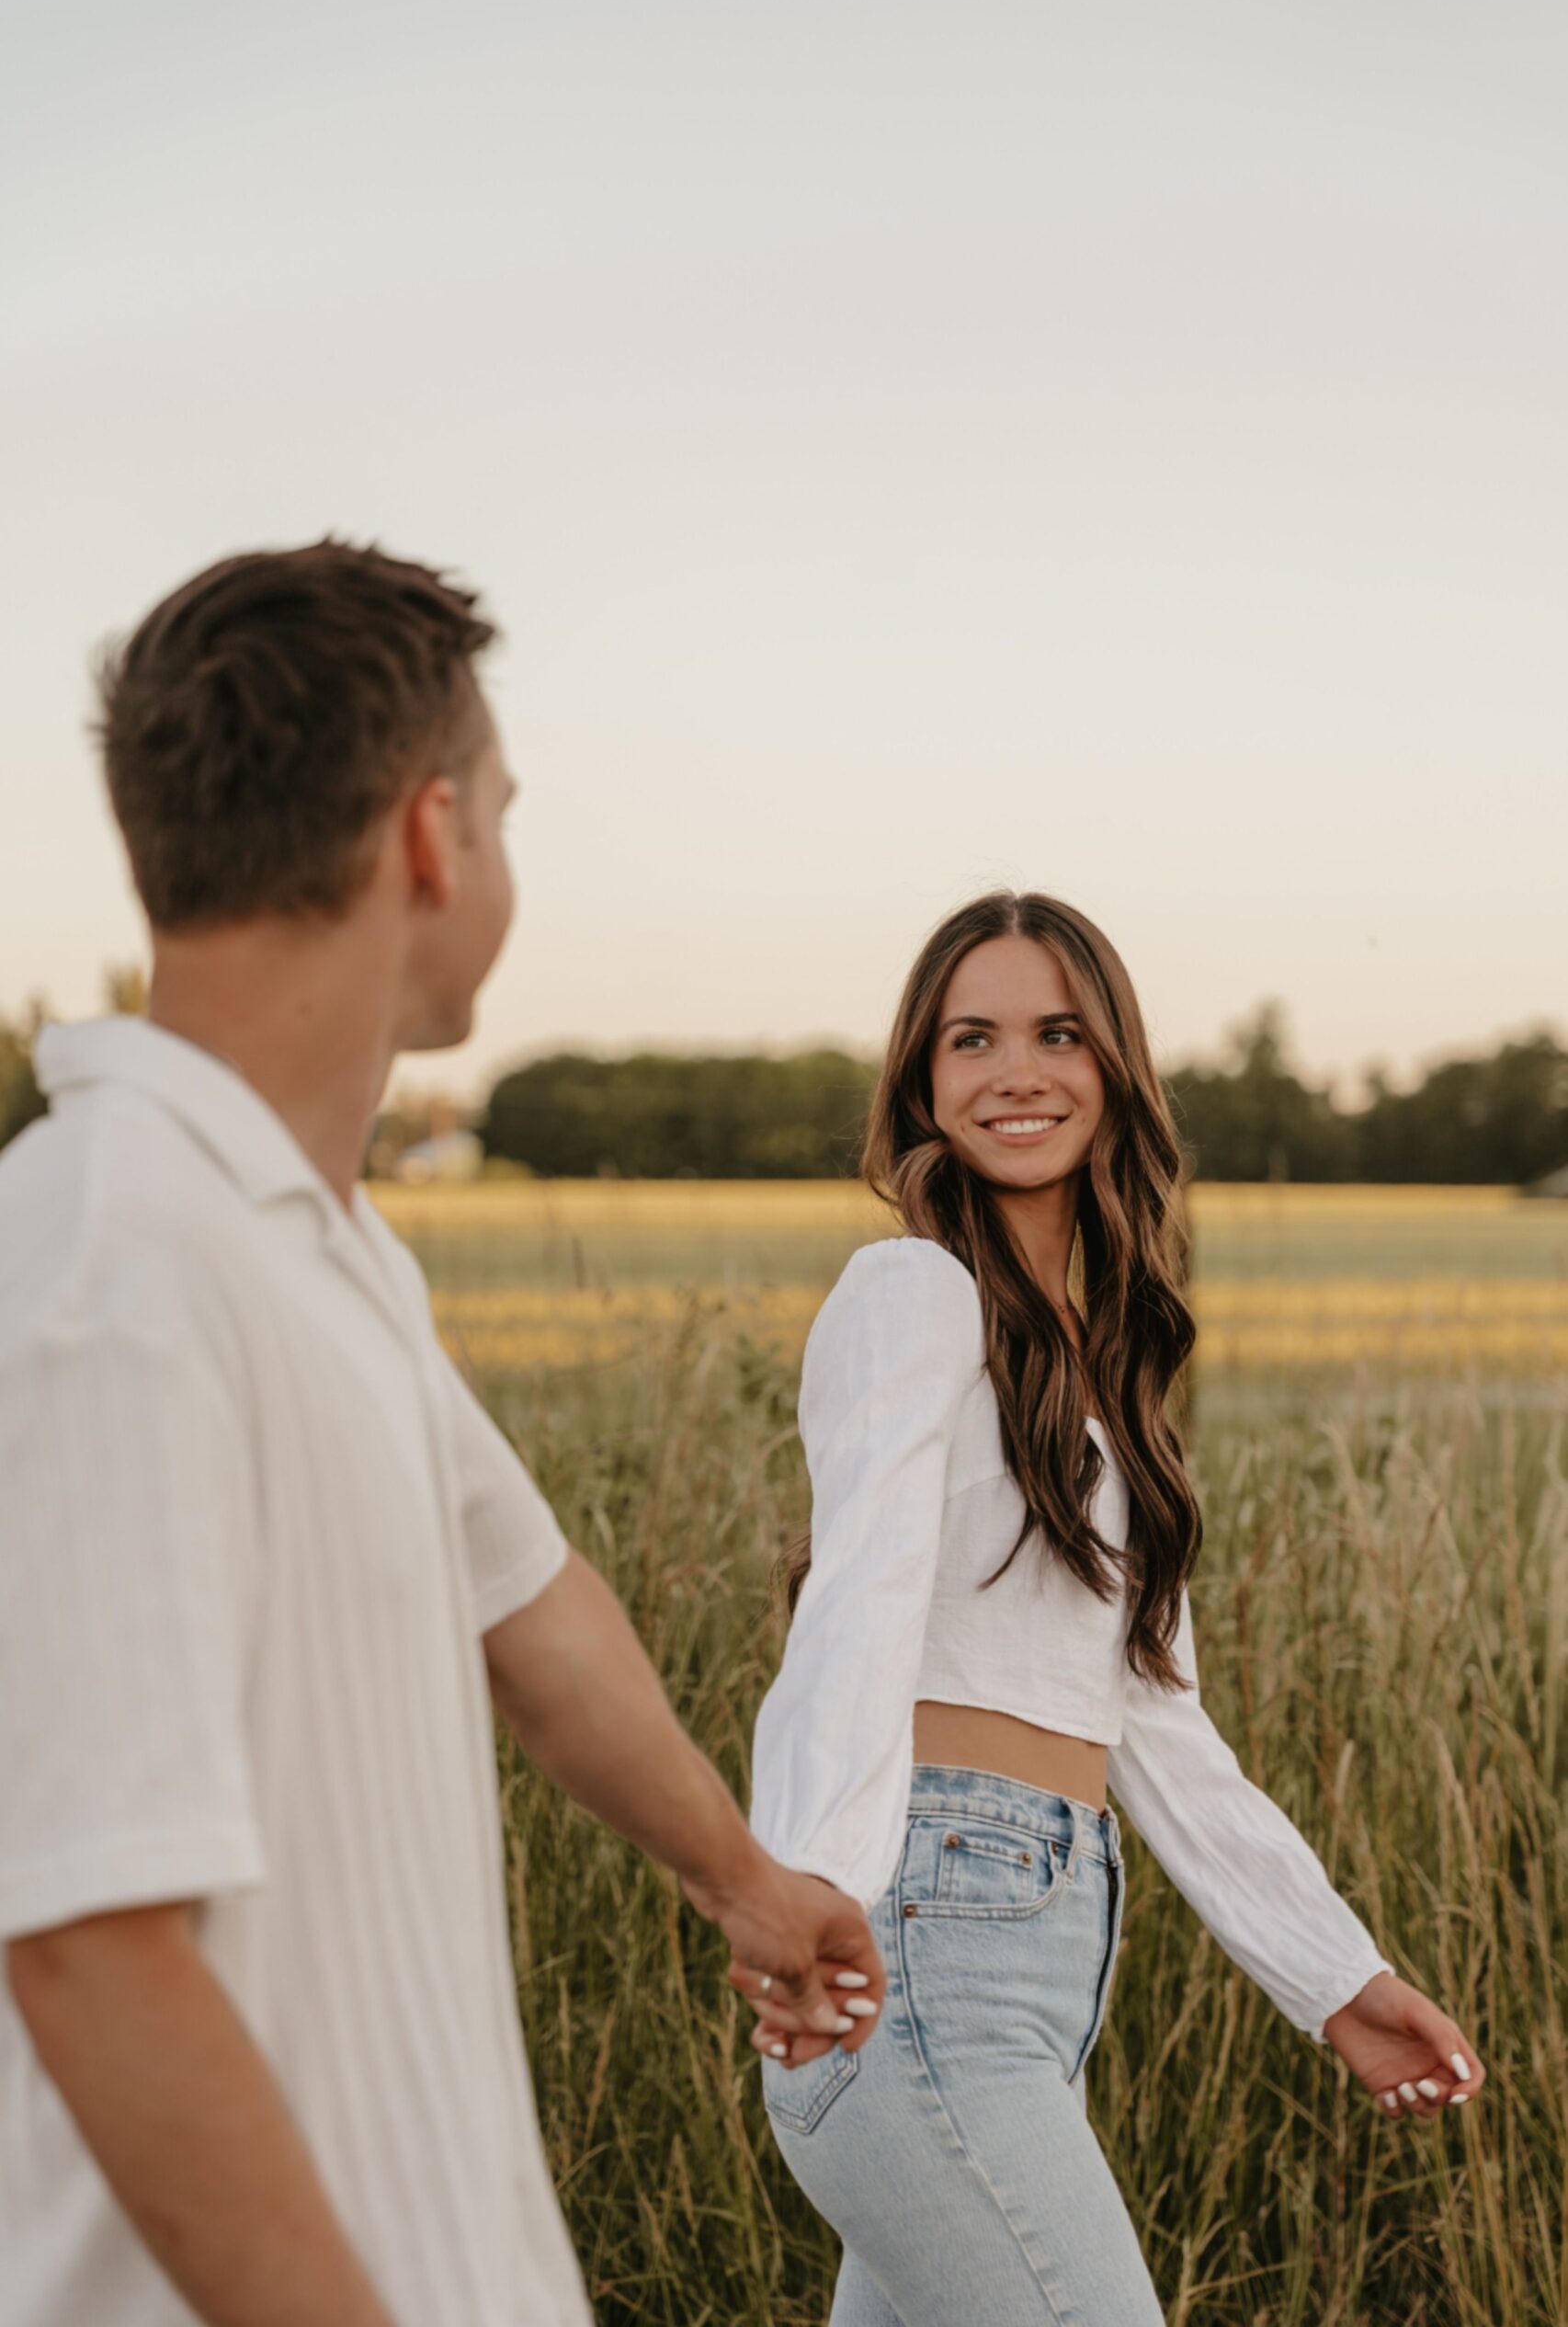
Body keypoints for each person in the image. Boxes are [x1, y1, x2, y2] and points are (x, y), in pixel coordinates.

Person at [0, 540, 886, 2327]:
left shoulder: (322, 1253)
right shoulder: (108, 1257)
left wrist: (744, 1880)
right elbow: (86, 1940)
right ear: (430, 838)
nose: (499, 848)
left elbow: (532, 1611)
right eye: (499, 804)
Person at [735, 890, 1485, 2326]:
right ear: (922, 1082)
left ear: (1113, 1070)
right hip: (914, 1942)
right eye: (972, 1038)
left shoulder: (1100, 1387)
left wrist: (1334, 1978)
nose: (1014, 1071)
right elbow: (857, 1601)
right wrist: (808, 1885)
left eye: (1056, 1033)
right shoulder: (909, 1293)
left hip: (1026, 1951)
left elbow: (1155, 1730)